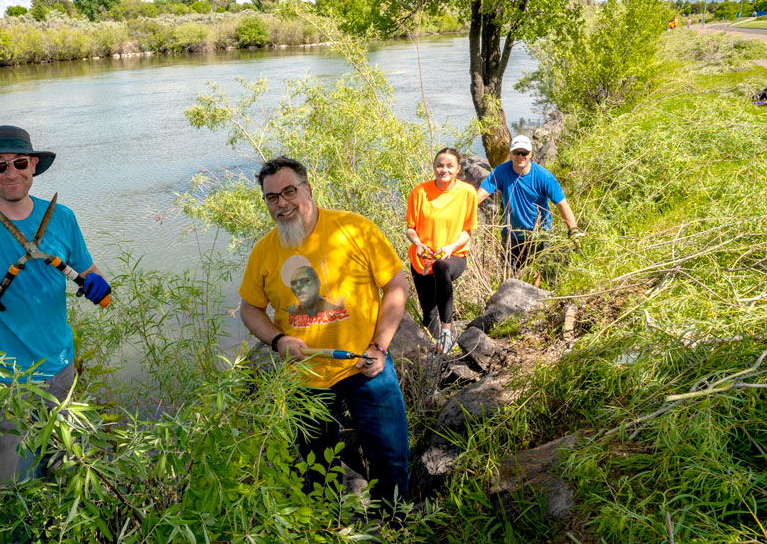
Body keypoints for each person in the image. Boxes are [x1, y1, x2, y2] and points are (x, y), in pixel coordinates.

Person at [0, 125, 111, 521]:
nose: (11, 172)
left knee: (65, 469)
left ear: (33, 165)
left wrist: (99, 285)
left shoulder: (63, 218)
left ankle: (56, 528)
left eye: (20, 162)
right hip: (2, 381)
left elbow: (90, 271)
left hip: (61, 370)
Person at [238, 156, 410, 514]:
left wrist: (379, 347)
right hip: (305, 381)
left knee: (390, 458)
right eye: (272, 197)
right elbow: (250, 308)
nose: (281, 203)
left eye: (289, 191)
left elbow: (396, 284)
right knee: (317, 467)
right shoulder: (264, 252)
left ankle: (393, 526)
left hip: (366, 368)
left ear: (308, 190)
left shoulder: (354, 228)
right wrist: (278, 340)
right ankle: (329, 527)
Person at [405, 147, 478, 348]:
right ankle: (439, 352)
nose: (443, 170)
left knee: (442, 267)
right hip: (422, 258)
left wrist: (451, 247)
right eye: (439, 165)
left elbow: (468, 230)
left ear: (458, 169)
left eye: (449, 166)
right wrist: (418, 244)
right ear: (434, 167)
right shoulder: (419, 192)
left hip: (453, 255)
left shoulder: (467, 192)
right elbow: (411, 228)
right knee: (428, 313)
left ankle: (447, 331)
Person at [476, 134, 582, 271]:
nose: (520, 156)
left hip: (539, 235)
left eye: (524, 153)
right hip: (511, 235)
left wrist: (573, 229)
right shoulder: (500, 172)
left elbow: (562, 204)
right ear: (510, 153)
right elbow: (481, 195)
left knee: (536, 274)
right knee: (511, 274)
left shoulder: (544, 176)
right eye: (516, 152)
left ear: (531, 154)